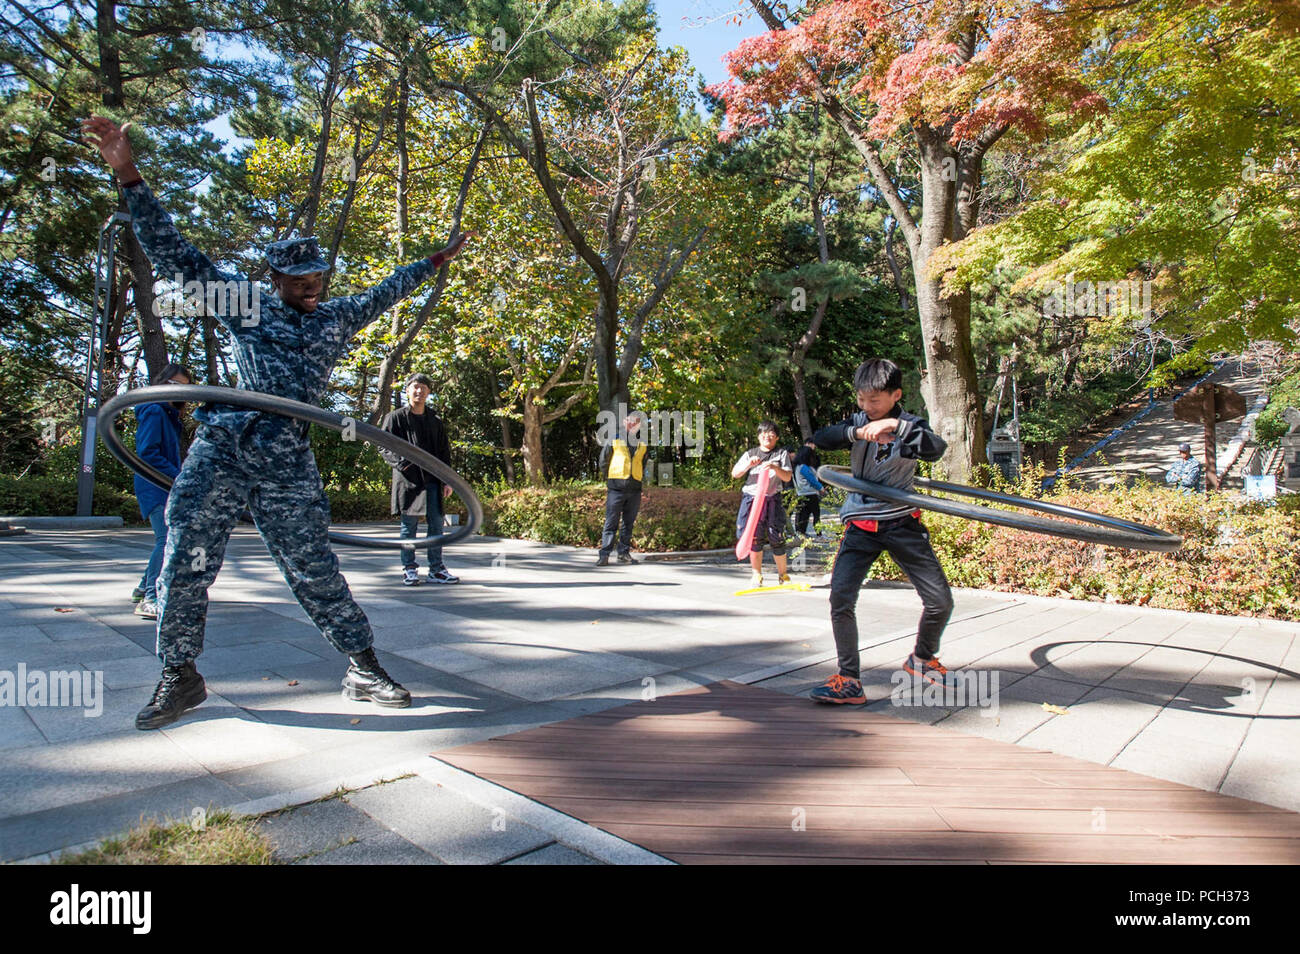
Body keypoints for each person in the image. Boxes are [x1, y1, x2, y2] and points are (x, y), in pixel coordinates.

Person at [81, 115, 473, 730]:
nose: (313, 286)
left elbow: (390, 288)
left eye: (318, 277)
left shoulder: (336, 316)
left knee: (313, 563)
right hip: (227, 444)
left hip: (287, 456)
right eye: (300, 280)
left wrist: (434, 259)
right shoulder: (247, 304)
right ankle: (180, 675)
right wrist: (127, 172)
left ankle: (361, 666)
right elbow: (175, 254)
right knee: (187, 554)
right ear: (276, 279)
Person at [807, 358, 954, 704]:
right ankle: (849, 679)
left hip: (902, 522)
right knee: (841, 599)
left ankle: (921, 657)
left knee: (940, 602)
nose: (866, 407)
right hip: (860, 524)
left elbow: (936, 449)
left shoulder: (911, 424)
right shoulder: (857, 421)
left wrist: (897, 428)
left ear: (895, 395)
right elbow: (822, 439)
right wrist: (858, 432)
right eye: (861, 399)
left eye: (874, 400)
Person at [379, 372, 458, 585]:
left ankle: (436, 569)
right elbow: (384, 446)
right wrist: (403, 464)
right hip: (408, 481)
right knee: (409, 527)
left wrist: (447, 479)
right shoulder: (395, 418)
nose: (419, 391)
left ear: (429, 392)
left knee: (436, 525)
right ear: (407, 390)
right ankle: (409, 568)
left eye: (423, 387)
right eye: (415, 387)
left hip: (433, 480)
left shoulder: (435, 420)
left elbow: (444, 451)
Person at [131, 364, 192, 620]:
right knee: (166, 539)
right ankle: (150, 597)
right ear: (162, 381)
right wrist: (180, 476)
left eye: (185, 388)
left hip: (163, 485)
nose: (179, 391)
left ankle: (142, 586)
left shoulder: (169, 416)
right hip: (153, 485)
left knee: (166, 537)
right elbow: (147, 453)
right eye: (174, 384)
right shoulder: (155, 411)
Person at [731, 421, 794, 587]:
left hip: (772, 498)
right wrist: (748, 464)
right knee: (755, 537)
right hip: (752, 499)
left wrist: (774, 467)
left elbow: (787, 477)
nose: (768, 436)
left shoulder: (781, 454)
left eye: (772, 434)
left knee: (776, 535)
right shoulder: (750, 453)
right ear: (759, 436)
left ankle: (783, 575)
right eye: (764, 434)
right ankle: (756, 575)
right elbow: (735, 474)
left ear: (777, 437)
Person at [596, 410, 646, 566]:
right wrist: (610, 477)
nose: (633, 424)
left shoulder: (642, 443)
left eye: (636, 422)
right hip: (616, 488)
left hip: (634, 488)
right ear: (625, 422)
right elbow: (604, 459)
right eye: (631, 421)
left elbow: (642, 463)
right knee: (611, 522)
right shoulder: (615, 438)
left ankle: (623, 554)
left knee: (628, 524)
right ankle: (604, 554)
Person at [792, 442, 827, 537]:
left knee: (804, 514)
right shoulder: (804, 467)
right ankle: (819, 534)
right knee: (816, 514)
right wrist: (821, 488)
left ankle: (801, 533)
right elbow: (812, 480)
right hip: (810, 493)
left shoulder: (798, 467)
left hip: (801, 493)